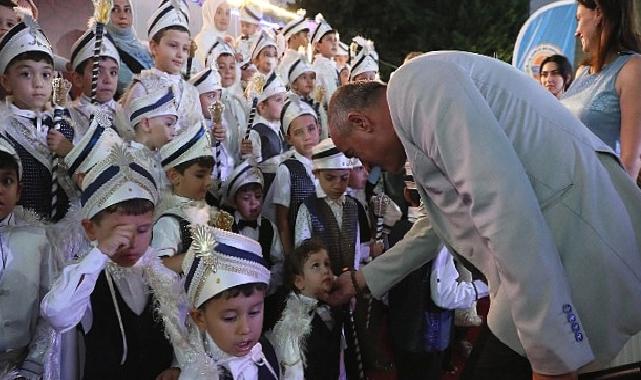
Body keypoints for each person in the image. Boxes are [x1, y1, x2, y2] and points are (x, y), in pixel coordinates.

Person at [327, 52, 641, 379]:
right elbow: (435, 227)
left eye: (354, 154)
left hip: (575, 247)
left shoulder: (417, 85)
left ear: (360, 122)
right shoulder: (417, 103)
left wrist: (552, 355)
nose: (363, 166)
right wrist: (364, 280)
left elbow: (502, 206)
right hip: (549, 264)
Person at [41, 144, 180, 379]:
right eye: (119, 233)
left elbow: (181, 330)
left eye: (143, 230)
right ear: (90, 229)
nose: (131, 242)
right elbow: (57, 314)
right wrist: (101, 253)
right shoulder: (87, 278)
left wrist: (176, 366)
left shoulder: (157, 274)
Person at [179, 225, 280, 379]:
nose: (245, 329)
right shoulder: (199, 375)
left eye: (254, 312)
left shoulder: (266, 352)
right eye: (230, 318)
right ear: (200, 318)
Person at [0, 10, 72, 221]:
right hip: (17, 232)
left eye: (46, 74)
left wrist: (69, 151)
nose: (38, 83)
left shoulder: (63, 123)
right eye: (26, 74)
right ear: (6, 81)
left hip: (62, 235)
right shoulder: (3, 128)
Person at [561, 0, 641, 179]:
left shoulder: (632, 69)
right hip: (565, 187)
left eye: (579, 19)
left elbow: (631, 159)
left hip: (600, 194)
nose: (576, 31)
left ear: (598, 13)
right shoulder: (582, 71)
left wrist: (616, 204)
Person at [0, 136, 56, 380]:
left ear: (19, 190)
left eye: (7, 181)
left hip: (20, 366)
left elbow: (49, 308)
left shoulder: (37, 240)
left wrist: (34, 362)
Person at [120, 0, 201, 136]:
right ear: (154, 47)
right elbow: (130, 137)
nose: (180, 54)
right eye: (173, 46)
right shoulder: (142, 89)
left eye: (185, 48)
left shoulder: (191, 92)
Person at [268, 239, 343, 380]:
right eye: (316, 266)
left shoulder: (335, 307)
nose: (325, 270)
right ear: (299, 282)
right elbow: (292, 370)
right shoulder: (293, 323)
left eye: (327, 264)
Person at [153, 124, 214, 273]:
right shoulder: (170, 222)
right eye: (200, 175)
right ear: (174, 176)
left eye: (210, 174)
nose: (208, 182)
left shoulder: (208, 211)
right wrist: (202, 254)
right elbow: (159, 267)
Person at [273, 99, 320, 256]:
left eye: (311, 129)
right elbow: (282, 220)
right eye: (299, 133)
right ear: (289, 138)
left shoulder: (328, 162)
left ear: (319, 128)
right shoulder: (287, 169)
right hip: (301, 248)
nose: (307, 137)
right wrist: (290, 257)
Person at [68, 23, 121, 139]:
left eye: (113, 73)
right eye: (97, 72)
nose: (108, 80)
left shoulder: (127, 113)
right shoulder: (67, 116)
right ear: (78, 79)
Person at [244, 72, 288, 193]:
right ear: (262, 106)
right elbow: (252, 169)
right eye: (279, 100)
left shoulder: (281, 128)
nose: (283, 105)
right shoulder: (256, 133)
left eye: (285, 100)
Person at [107, 0, 153, 97]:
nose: (123, 16)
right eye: (115, 10)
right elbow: (126, 86)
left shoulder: (144, 48)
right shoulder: (104, 49)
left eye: (127, 10)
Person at [310, 14, 339, 111]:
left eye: (335, 39)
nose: (334, 43)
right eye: (329, 39)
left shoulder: (329, 65)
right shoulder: (322, 68)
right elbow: (331, 99)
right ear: (318, 46)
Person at [194, 0, 231, 68]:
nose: (224, 17)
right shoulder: (201, 40)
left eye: (227, 13)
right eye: (219, 12)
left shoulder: (226, 42)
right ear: (209, 13)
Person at [277, 12, 309, 82]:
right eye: (305, 36)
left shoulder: (302, 59)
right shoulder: (286, 63)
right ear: (294, 37)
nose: (308, 39)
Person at [236, 4, 263, 69]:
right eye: (242, 25)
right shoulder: (239, 39)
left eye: (247, 26)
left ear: (256, 26)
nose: (244, 28)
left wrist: (243, 57)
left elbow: (255, 58)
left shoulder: (259, 41)